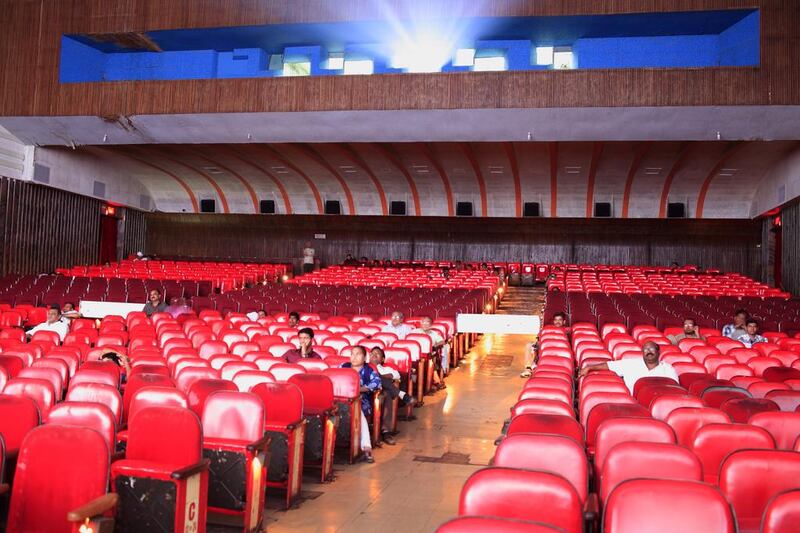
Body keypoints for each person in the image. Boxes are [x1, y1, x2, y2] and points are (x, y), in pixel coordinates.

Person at [579, 341, 678, 394]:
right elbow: (609, 365)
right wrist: (589, 368)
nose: (649, 351)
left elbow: (675, 388)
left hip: (658, 401)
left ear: (658, 352)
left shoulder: (668, 368)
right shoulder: (631, 363)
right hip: (633, 402)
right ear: (642, 352)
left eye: (652, 348)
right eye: (645, 349)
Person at [341, 345, 382, 463]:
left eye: (358, 354)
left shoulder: (369, 370)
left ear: (364, 357)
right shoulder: (343, 367)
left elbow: (377, 384)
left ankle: (366, 448)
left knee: (357, 411)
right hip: (341, 400)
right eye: (352, 354)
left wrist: (357, 389)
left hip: (361, 402)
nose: (354, 357)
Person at [520, 312, 568, 378]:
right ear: (553, 321)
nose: (557, 322)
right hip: (546, 348)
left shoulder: (567, 331)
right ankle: (528, 369)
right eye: (556, 320)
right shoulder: (548, 329)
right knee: (529, 345)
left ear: (564, 322)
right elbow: (540, 339)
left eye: (560, 320)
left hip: (559, 350)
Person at [412, 316, 449, 387]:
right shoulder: (414, 332)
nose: (425, 324)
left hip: (429, 354)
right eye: (423, 322)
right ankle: (413, 383)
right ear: (420, 323)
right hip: (415, 354)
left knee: (430, 362)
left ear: (431, 324)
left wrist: (435, 345)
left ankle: (436, 381)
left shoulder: (434, 334)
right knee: (412, 367)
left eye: (427, 322)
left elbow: (442, 341)